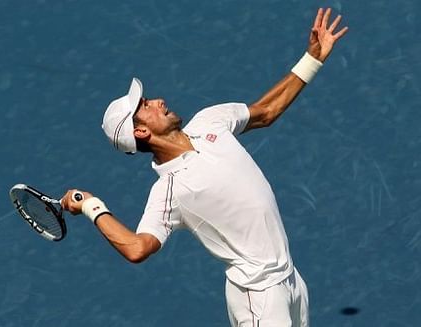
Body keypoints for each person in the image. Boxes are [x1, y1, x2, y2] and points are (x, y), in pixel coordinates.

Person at [62, 8, 347, 327]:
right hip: (259, 299)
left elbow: (265, 112)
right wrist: (91, 205)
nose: (156, 100)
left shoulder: (211, 120)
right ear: (141, 132)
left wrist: (313, 58)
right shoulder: (169, 192)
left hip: (291, 280)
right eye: (145, 107)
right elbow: (137, 248)